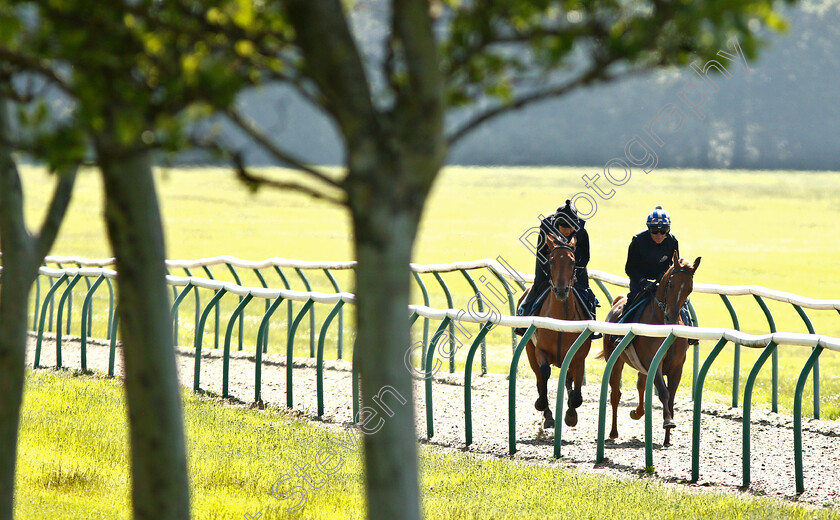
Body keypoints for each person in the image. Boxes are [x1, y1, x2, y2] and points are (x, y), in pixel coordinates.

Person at [515, 200, 600, 336]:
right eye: (564, 227)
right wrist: (551, 276)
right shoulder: (546, 228)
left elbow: (585, 257)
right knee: (538, 286)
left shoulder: (581, 231)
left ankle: (592, 326)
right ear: (557, 224)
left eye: (571, 227)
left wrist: (573, 273)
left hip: (574, 265)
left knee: (586, 291)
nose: (567, 231)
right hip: (549, 263)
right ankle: (524, 315)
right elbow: (541, 255)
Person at [622, 205, 697, 343]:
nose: (659, 235)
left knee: (679, 301)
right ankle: (619, 334)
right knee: (633, 300)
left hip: (662, 279)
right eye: (654, 231)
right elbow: (630, 268)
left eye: (663, 231)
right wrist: (643, 282)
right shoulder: (638, 241)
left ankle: (690, 333)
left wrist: (664, 277)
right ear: (648, 229)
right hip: (640, 279)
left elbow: (674, 265)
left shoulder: (672, 241)